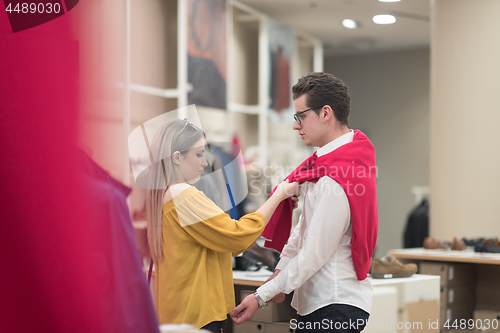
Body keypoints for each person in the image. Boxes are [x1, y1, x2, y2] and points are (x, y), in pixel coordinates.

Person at [231, 72, 378, 333]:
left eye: (301, 116)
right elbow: (303, 233)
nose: (295, 125)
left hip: (334, 304)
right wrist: (277, 277)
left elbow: (313, 251)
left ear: (325, 113)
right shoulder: (327, 165)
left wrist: (261, 295)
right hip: (326, 304)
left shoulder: (337, 175)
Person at [146, 118, 300, 332]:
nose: (205, 163)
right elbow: (238, 236)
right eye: (199, 154)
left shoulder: (163, 195)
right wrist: (279, 194)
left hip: (179, 312)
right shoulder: (183, 195)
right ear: (177, 157)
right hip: (196, 316)